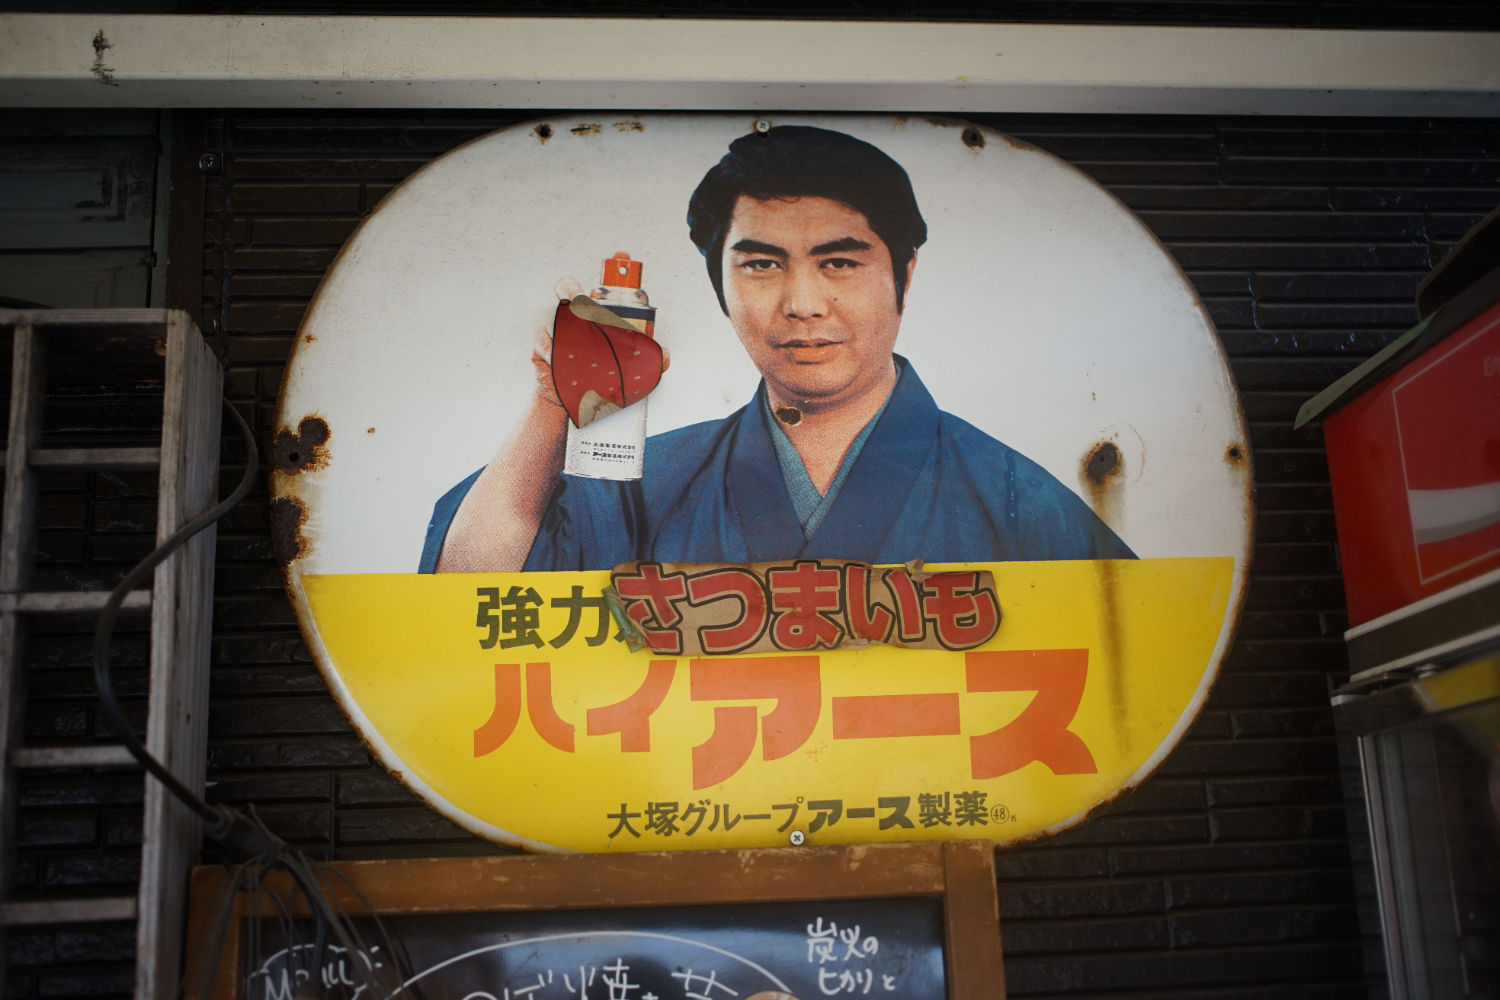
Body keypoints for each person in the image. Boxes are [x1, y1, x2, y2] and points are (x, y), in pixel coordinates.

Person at [421, 125, 1133, 573]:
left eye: (840, 262)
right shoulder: (648, 485)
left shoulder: (1014, 497)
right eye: (761, 264)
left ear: (904, 276)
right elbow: (469, 591)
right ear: (720, 286)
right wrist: (554, 402)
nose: (803, 303)